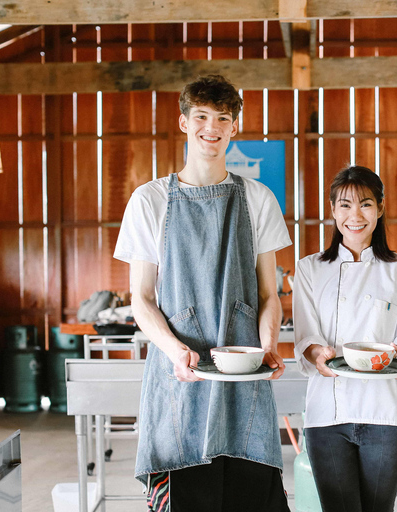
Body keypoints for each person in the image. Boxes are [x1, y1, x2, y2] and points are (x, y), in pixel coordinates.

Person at [114, 75, 292, 511]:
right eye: (201, 116)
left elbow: (270, 294)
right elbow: (141, 297)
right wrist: (175, 350)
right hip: (179, 379)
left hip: (244, 378)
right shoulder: (149, 200)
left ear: (234, 128)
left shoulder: (258, 198)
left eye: (223, 119)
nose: (211, 127)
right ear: (183, 122)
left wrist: (267, 346)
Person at [293, 165, 397, 512]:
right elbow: (306, 333)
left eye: (366, 204)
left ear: (380, 209)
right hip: (327, 414)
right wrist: (318, 353)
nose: (355, 215)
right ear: (333, 210)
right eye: (345, 205)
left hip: (386, 413)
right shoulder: (309, 268)